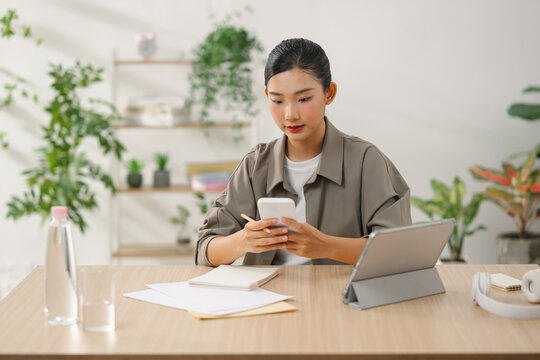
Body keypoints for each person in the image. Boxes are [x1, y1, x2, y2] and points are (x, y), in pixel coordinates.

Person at [196, 38, 411, 267]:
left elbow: (399, 252)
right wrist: (242, 241)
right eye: (277, 100)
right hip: (269, 298)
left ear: (329, 93)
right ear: (267, 95)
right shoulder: (255, 164)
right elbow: (205, 251)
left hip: (340, 298)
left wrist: (327, 246)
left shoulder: (366, 161)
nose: (290, 114)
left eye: (304, 99)